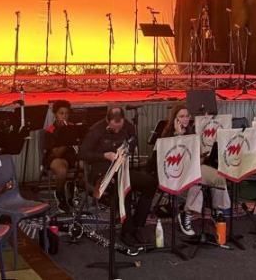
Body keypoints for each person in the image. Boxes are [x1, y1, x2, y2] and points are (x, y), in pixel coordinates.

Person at [80, 105, 157, 248]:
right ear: (108, 120)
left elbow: (133, 140)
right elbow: (83, 153)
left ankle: (137, 224)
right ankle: (126, 232)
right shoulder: (96, 130)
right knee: (124, 188)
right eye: (114, 127)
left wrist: (127, 148)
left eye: (120, 126)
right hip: (101, 171)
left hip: (121, 167)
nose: (117, 130)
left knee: (151, 183)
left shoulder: (127, 126)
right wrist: (104, 155)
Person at [159, 103, 231, 236]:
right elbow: (170, 159)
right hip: (177, 172)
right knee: (196, 180)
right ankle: (187, 214)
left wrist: (202, 156)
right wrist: (178, 136)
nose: (185, 119)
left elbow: (196, 156)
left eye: (187, 116)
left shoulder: (192, 131)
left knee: (219, 177)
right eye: (181, 116)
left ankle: (218, 211)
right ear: (175, 118)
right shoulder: (167, 134)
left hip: (195, 167)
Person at [43, 100, 77, 212]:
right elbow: (56, 153)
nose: (64, 116)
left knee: (84, 164)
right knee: (62, 169)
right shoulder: (50, 130)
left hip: (70, 155)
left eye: (66, 113)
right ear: (55, 114)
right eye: (61, 113)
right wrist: (67, 137)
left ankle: (73, 189)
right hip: (54, 157)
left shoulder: (73, 127)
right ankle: (60, 194)